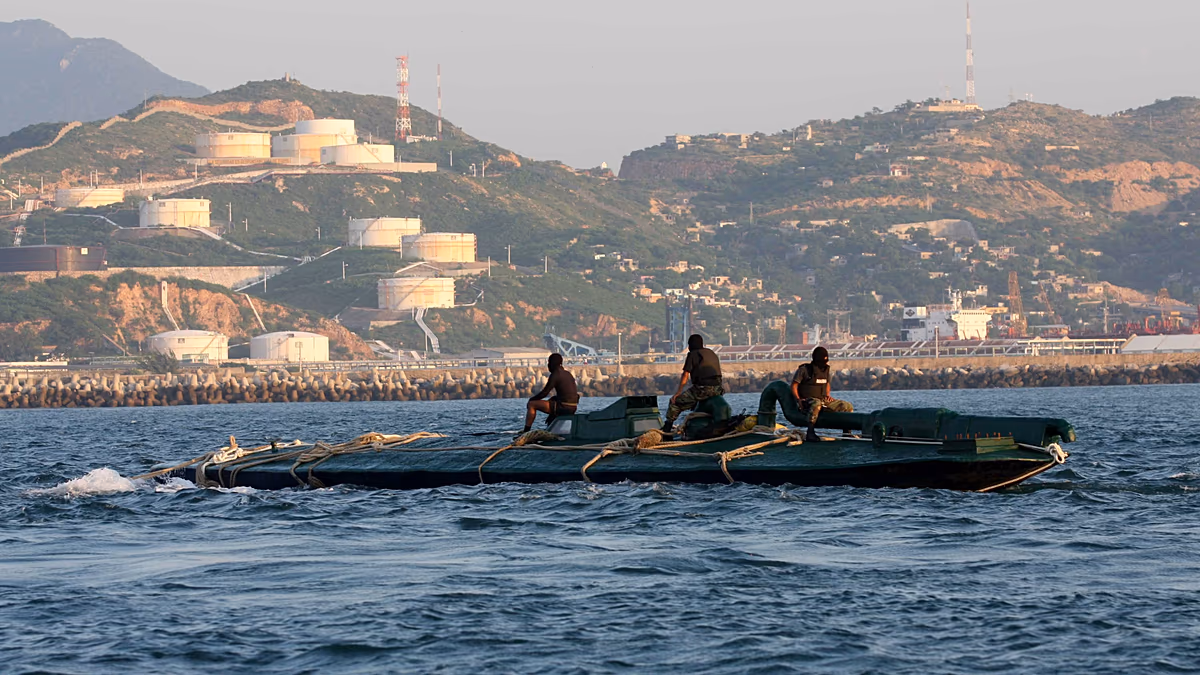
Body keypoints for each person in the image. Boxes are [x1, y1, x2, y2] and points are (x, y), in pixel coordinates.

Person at [662, 334, 724, 433]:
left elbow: (685, 375)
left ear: (690, 345)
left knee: (675, 402)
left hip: (703, 389)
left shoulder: (692, 354)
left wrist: (678, 393)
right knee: (695, 397)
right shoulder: (711, 353)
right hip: (718, 389)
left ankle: (667, 429)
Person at [791, 346, 854, 441]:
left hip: (823, 399)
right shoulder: (804, 370)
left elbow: (827, 383)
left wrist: (827, 395)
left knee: (846, 406)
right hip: (808, 401)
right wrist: (798, 400)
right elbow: (794, 385)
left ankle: (846, 433)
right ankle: (810, 432)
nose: (824, 364)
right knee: (816, 403)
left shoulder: (826, 370)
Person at [523, 353, 579, 433]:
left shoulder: (556, 374)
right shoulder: (567, 373)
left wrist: (531, 399)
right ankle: (552, 429)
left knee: (532, 404)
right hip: (573, 406)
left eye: (549, 362)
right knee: (551, 401)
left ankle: (526, 431)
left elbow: (544, 393)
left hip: (563, 407)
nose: (548, 365)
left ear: (552, 363)